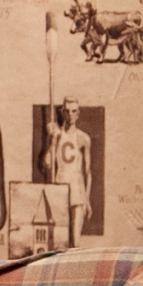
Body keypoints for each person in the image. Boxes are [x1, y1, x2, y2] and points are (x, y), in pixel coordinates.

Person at [42, 98, 91, 229]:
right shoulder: (57, 135)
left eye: (73, 111)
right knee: (60, 236)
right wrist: (52, 140)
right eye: (67, 111)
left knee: (75, 238)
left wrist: (87, 199)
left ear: (78, 114)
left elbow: (87, 172)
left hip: (77, 192)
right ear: (63, 113)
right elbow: (47, 163)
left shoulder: (83, 138)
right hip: (60, 188)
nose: (70, 115)